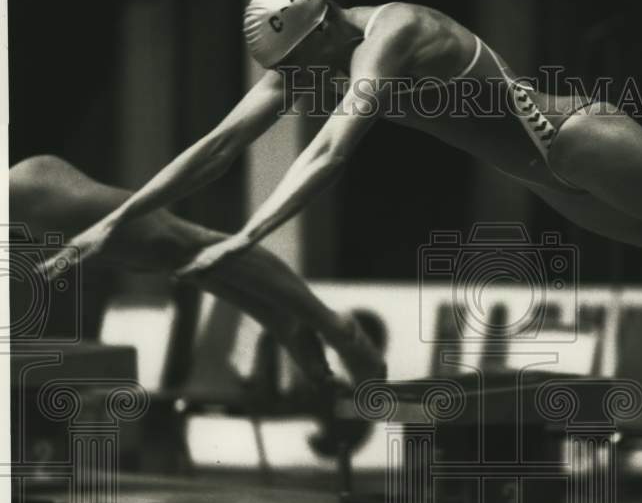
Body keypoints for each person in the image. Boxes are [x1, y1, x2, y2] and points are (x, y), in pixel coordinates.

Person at [42, 0, 642, 428]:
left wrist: (247, 232)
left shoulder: (387, 35)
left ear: (322, 27)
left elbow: (334, 144)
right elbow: (211, 146)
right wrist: (106, 227)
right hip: (557, 186)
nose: (300, 84)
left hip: (579, 141)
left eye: (302, 65)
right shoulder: (312, 60)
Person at [15, 154, 386, 390]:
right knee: (171, 259)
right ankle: (284, 321)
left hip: (30, 193)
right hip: (26, 206)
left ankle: (336, 328)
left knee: (188, 245)